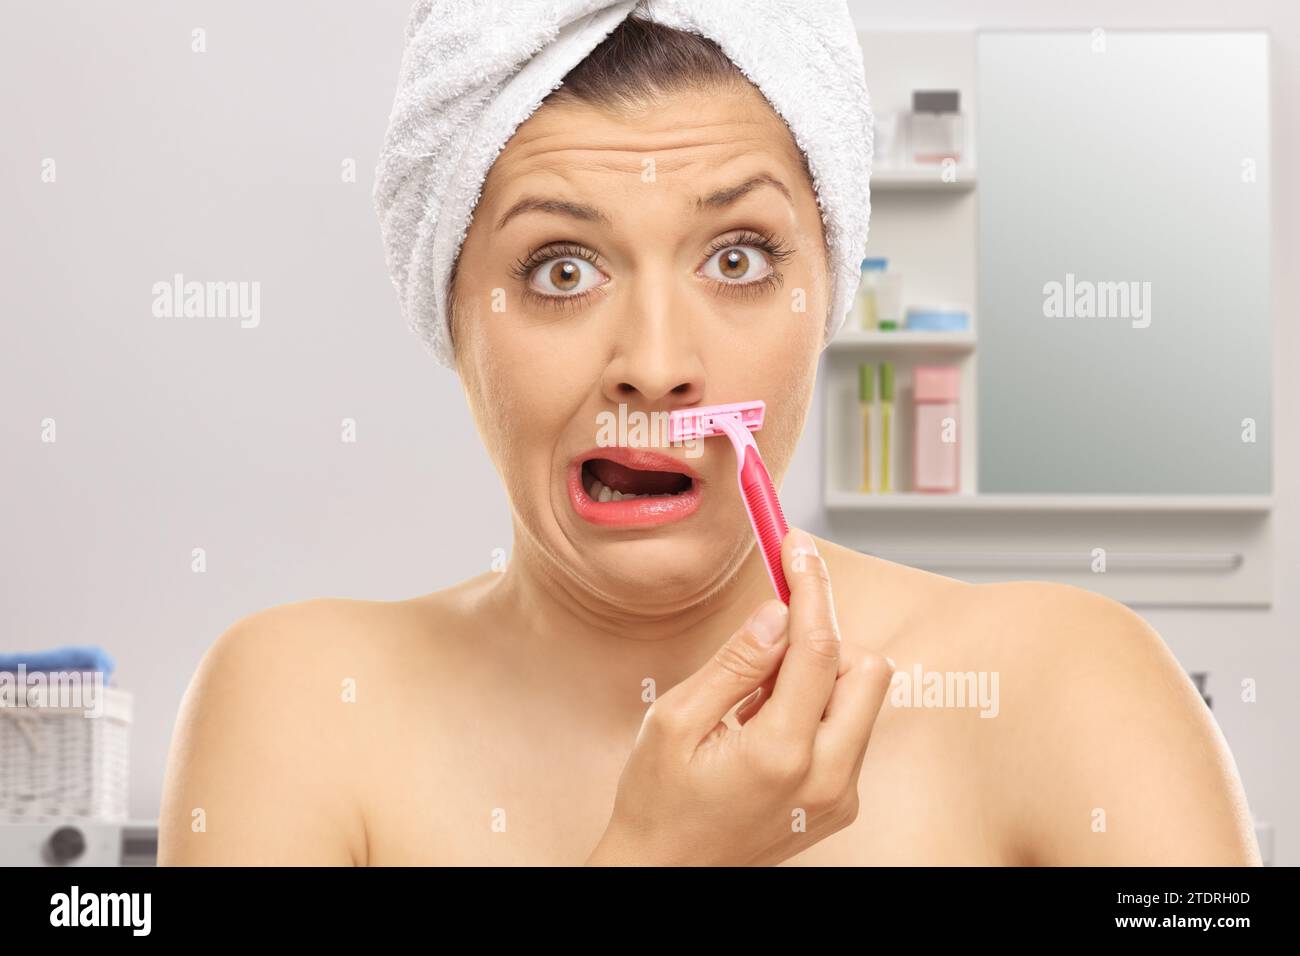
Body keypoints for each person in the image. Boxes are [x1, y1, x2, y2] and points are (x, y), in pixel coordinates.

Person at [158, 12, 1259, 867]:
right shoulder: (296, 704)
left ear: (828, 289)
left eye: (736, 257)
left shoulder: (1069, 684)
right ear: (451, 311)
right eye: (560, 268)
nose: (655, 358)